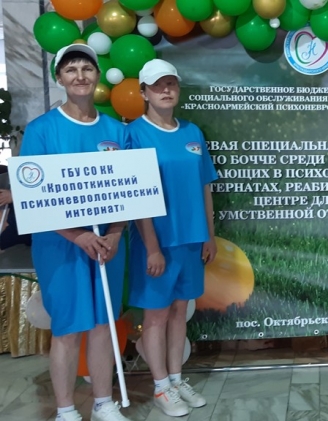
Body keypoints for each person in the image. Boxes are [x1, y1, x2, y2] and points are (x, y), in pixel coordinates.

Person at [19, 44, 130, 421]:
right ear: (59, 78)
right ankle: (66, 409)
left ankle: (103, 402)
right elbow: (33, 195)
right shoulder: (42, 130)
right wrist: (77, 235)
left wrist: (115, 234)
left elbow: (131, 192)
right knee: (67, 328)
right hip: (60, 247)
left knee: (102, 324)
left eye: (86, 68)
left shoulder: (116, 130)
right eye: (70, 69)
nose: (80, 75)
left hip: (107, 245)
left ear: (97, 75)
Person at [126, 58, 218, 417]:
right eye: (157, 85)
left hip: (191, 240)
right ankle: (161, 386)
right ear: (144, 92)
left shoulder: (192, 132)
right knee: (156, 316)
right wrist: (151, 247)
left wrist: (209, 235)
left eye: (171, 84)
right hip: (157, 243)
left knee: (180, 312)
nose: (166, 90)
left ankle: (177, 380)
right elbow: (134, 196)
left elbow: (205, 186)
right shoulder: (134, 134)